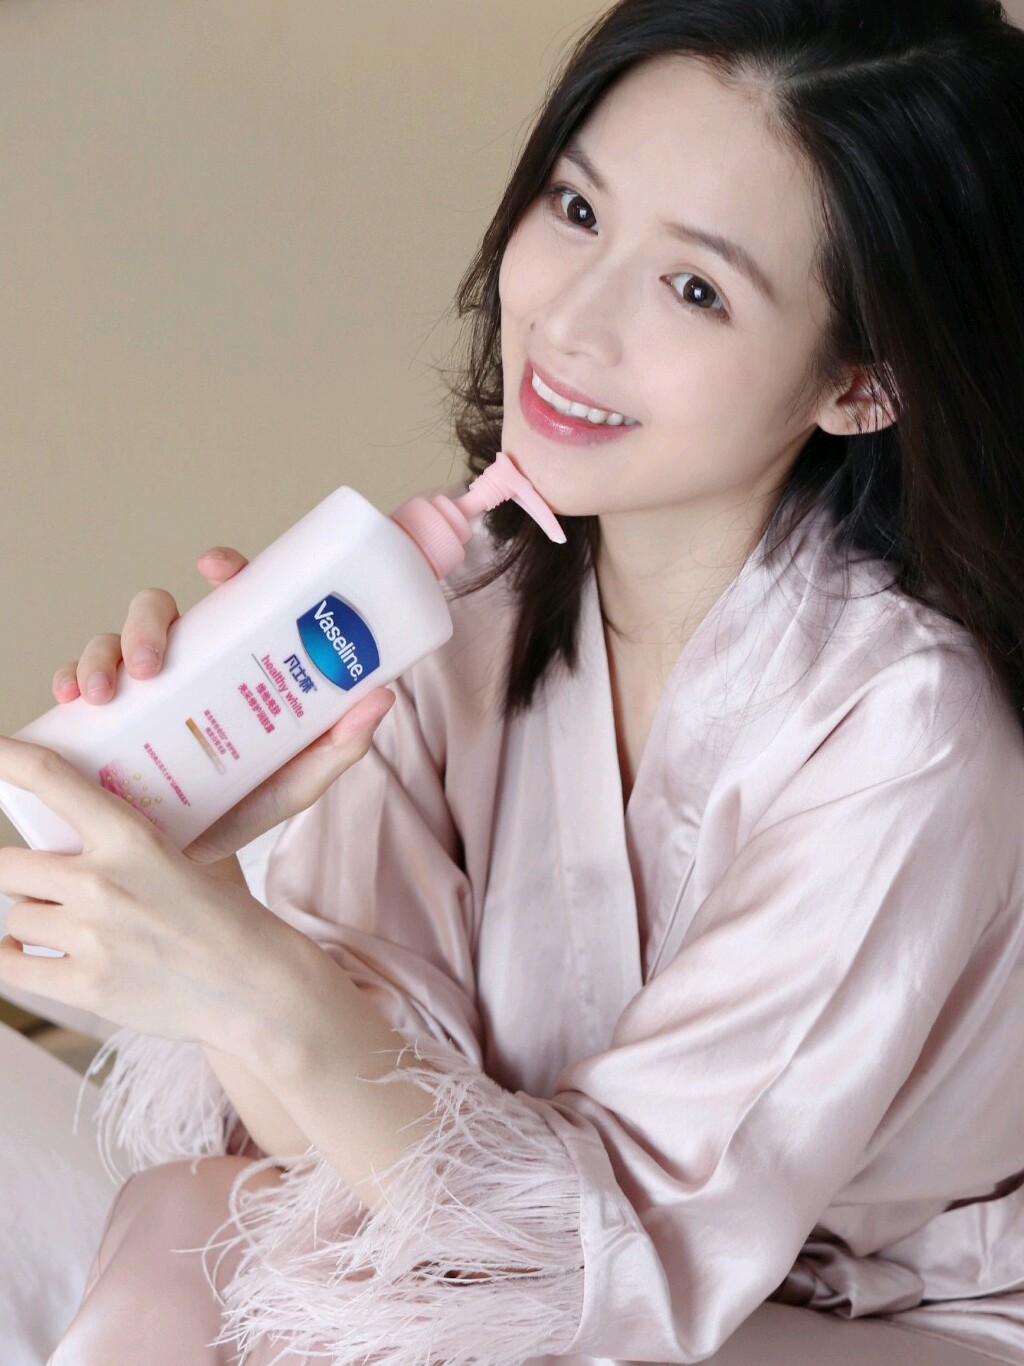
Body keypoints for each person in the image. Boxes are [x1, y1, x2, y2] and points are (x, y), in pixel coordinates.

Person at [1, 0, 1022, 1361]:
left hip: (867, 1321)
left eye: (697, 289)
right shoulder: (458, 609)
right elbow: (331, 1140)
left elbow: (618, 1272)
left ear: (862, 384)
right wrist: (213, 889)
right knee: (193, 1226)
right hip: (529, 1276)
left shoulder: (907, 729)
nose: (572, 319)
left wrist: (249, 975)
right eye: (578, 209)